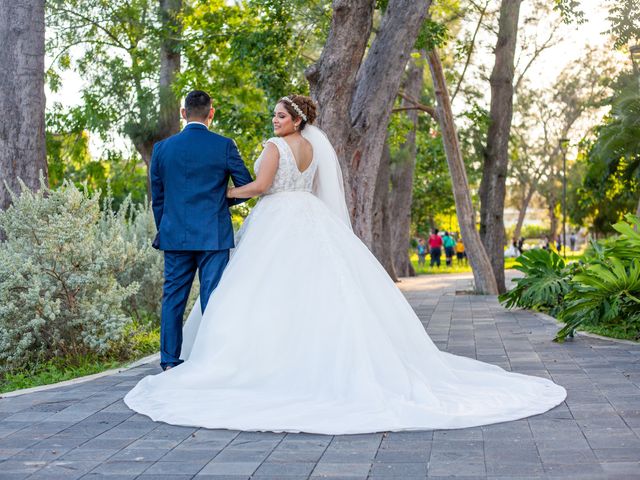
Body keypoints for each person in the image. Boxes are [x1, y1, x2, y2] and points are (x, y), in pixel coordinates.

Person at [125, 95, 566, 434]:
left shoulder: (227, 147)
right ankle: (248, 354)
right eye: (275, 116)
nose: (274, 120)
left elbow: (250, 187)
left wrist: (208, 199)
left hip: (240, 225)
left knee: (224, 295)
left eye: (280, 115)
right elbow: (273, 183)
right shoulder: (307, 148)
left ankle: (178, 360)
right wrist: (221, 194)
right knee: (282, 290)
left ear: (295, 119)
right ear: (210, 112)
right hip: (298, 221)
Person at [149, 90, 252, 371]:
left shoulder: (162, 149)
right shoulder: (224, 145)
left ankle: (169, 361)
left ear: (183, 113)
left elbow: (157, 198)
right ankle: (213, 360)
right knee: (214, 297)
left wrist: (166, 227)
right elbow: (245, 186)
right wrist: (220, 202)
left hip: (175, 235)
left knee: (173, 298)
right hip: (213, 235)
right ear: (211, 113)